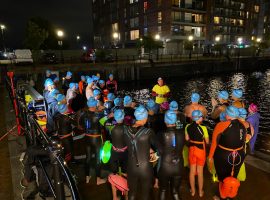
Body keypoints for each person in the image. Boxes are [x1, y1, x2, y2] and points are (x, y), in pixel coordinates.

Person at [208, 106, 248, 200]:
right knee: (233, 177)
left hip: (224, 156)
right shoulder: (243, 125)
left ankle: (222, 197)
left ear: (228, 115)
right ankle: (230, 197)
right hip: (239, 155)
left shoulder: (221, 125)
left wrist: (210, 157)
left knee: (223, 178)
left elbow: (214, 143)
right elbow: (243, 142)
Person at [124, 105, 160, 200]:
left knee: (132, 193)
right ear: (144, 118)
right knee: (145, 194)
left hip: (131, 166)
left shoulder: (125, 130)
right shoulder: (148, 132)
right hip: (145, 167)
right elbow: (159, 148)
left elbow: (130, 144)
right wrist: (153, 154)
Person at [78, 97, 106, 185]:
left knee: (88, 157)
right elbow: (104, 126)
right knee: (98, 158)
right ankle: (98, 179)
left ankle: (87, 177)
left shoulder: (83, 114)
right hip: (96, 138)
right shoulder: (99, 115)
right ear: (95, 105)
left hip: (87, 138)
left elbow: (81, 125)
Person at [158, 110, 185, 200]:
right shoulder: (182, 134)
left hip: (165, 166)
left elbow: (160, 151)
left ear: (165, 121)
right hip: (178, 166)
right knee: (175, 191)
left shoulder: (160, 134)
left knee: (163, 190)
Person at [185, 110, 209, 197]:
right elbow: (207, 141)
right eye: (201, 116)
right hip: (200, 151)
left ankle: (193, 191)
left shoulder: (187, 126)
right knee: (200, 172)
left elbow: (187, 138)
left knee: (191, 172)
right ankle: (200, 191)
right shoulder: (203, 128)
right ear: (199, 118)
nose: (202, 118)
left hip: (192, 149)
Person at [109, 109, 128, 200]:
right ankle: (127, 195)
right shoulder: (127, 128)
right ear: (123, 117)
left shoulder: (111, 127)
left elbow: (103, 121)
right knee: (126, 173)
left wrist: (110, 117)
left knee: (114, 174)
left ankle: (114, 197)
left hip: (114, 153)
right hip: (125, 153)